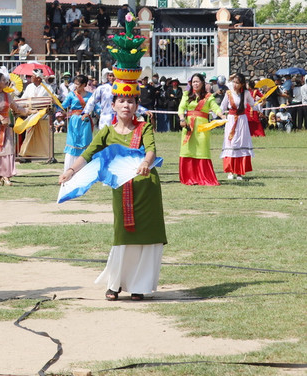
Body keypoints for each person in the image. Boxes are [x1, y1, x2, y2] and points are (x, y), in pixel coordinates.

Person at [59, 17, 165, 302]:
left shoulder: (144, 127)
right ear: (114, 103)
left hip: (147, 187)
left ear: (135, 103)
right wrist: (71, 171)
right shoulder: (106, 131)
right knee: (123, 236)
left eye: (131, 101)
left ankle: (140, 285)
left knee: (147, 240)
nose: (127, 106)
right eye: (122, 101)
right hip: (123, 189)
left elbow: (152, 149)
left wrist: (145, 162)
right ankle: (115, 284)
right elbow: (88, 153)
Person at [177, 73, 225, 186]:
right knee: (187, 150)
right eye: (193, 82)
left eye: (197, 81)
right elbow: (181, 108)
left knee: (202, 150)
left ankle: (203, 177)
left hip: (202, 128)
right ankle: (189, 177)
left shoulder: (208, 97)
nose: (195, 83)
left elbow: (215, 107)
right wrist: (182, 119)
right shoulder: (186, 94)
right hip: (189, 127)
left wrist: (221, 116)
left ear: (202, 83)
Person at [220, 73, 258, 181]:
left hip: (242, 121)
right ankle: (230, 171)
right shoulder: (228, 93)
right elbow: (222, 107)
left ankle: (240, 172)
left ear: (242, 84)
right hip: (231, 120)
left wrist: (261, 105)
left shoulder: (246, 93)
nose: (235, 85)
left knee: (241, 143)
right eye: (234, 82)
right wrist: (217, 115)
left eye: (237, 83)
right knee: (230, 143)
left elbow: (253, 105)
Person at [62, 75, 93, 171]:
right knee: (73, 142)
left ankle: (85, 169)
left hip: (85, 121)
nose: (75, 86)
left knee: (85, 142)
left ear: (84, 85)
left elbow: (96, 107)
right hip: (74, 121)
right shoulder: (71, 94)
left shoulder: (90, 95)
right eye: (75, 83)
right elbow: (63, 105)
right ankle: (70, 169)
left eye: (78, 84)